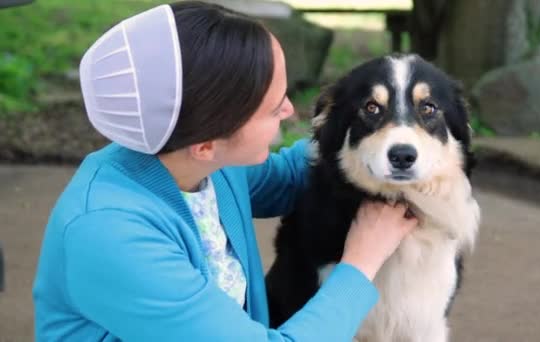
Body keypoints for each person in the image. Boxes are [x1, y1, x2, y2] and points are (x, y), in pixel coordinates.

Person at [32, 2, 418, 341]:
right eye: (272, 108)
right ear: (206, 145)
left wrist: (366, 126)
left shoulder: (200, 164)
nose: (289, 111)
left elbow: (290, 173)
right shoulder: (111, 234)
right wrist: (361, 261)